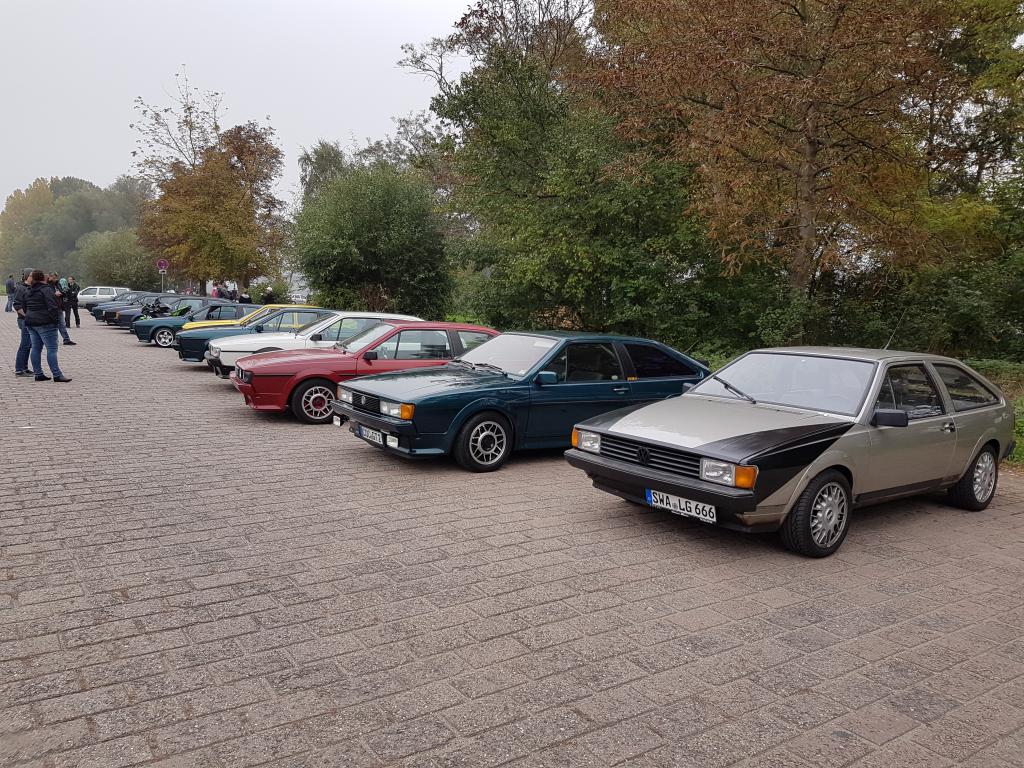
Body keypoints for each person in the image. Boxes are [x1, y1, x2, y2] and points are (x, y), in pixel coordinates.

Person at [23, 269, 71, 382]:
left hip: (31, 322)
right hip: (45, 323)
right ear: (43, 278)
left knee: (36, 348)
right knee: (52, 349)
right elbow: (52, 306)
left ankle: (38, 373)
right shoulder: (46, 290)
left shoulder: (28, 290)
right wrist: (55, 321)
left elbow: (24, 307)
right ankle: (57, 374)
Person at [12, 270, 32, 376]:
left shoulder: (29, 287)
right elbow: (17, 305)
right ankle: (19, 369)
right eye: (32, 275)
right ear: (27, 276)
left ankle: (25, 367)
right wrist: (26, 315)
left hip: (29, 320)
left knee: (28, 345)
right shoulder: (21, 288)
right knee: (25, 344)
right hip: (24, 320)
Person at [47, 273, 75, 345]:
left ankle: (66, 340)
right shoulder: (47, 285)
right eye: (54, 278)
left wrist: (61, 293)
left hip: (59, 307)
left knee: (62, 324)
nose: (55, 279)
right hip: (51, 308)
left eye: (56, 278)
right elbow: (47, 295)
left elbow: (63, 292)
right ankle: (53, 340)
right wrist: (54, 294)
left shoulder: (58, 284)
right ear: (50, 277)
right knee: (53, 325)